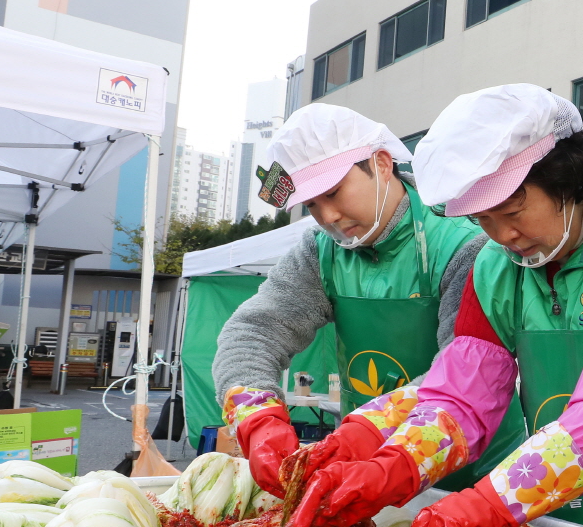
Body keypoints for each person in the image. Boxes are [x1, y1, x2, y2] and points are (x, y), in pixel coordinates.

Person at [289, 85, 583, 527]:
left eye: (512, 212)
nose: (504, 236)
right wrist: (395, 466)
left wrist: (488, 502)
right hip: (563, 517)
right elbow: (461, 396)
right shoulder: (494, 266)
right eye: (484, 220)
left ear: (565, 177)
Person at [217, 103, 523, 498]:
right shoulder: (319, 250)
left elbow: (465, 376)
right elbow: (255, 330)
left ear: (380, 162)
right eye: (311, 204)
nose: (327, 215)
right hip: (361, 473)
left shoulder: (464, 243)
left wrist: (365, 437)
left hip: (479, 476)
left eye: (332, 192)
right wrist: (255, 415)